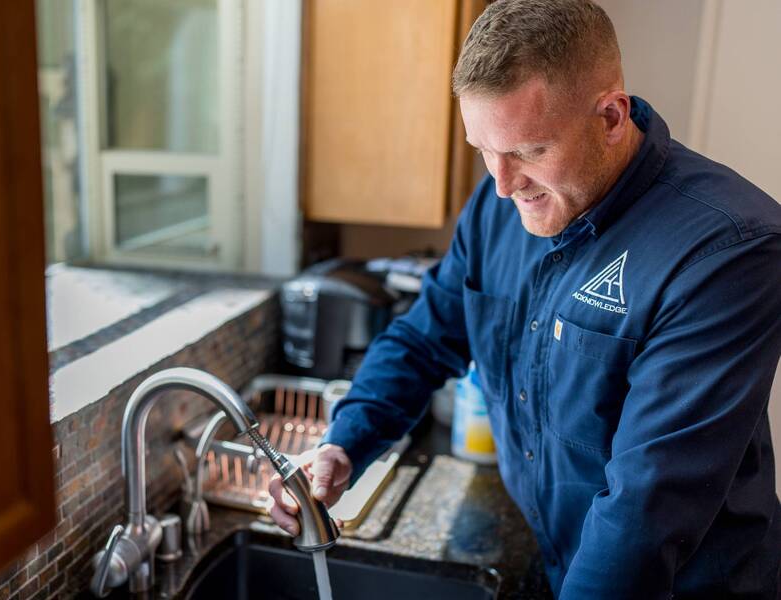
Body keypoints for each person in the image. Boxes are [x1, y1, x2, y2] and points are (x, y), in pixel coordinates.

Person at [268, 0, 781, 597]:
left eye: (529, 151)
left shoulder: (728, 250)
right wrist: (345, 441)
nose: (503, 184)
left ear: (612, 117)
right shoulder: (500, 205)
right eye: (483, 150)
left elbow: (646, 508)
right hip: (559, 557)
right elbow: (425, 337)